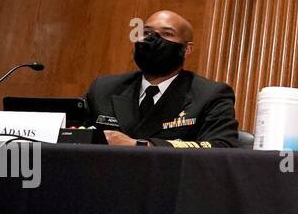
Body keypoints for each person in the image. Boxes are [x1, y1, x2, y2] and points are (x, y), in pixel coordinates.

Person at [83, 10, 240, 148]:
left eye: (167, 34)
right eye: (147, 33)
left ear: (187, 49)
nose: (153, 40)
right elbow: (69, 134)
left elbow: (221, 146)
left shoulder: (210, 95)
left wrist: (142, 146)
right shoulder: (103, 88)